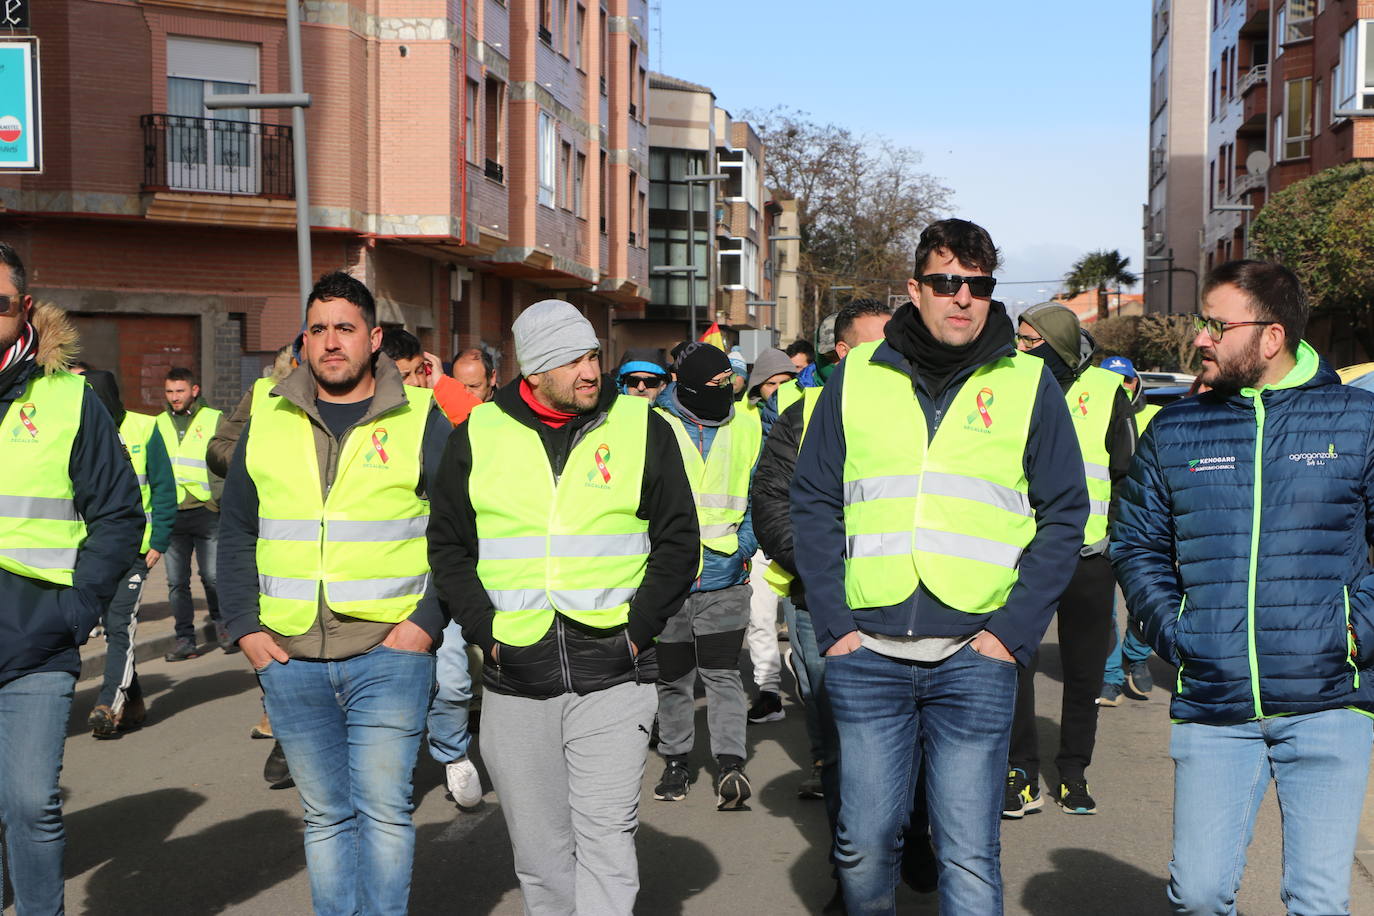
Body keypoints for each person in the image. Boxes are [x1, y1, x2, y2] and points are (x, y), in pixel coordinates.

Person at [792, 218, 1088, 915]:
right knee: (863, 847)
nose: (963, 297)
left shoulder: (1026, 383)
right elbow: (812, 500)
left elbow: (1065, 512)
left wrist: (1009, 634)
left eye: (978, 285)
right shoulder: (857, 375)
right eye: (947, 281)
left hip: (974, 655)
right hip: (867, 652)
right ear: (914, 288)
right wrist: (834, 622)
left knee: (969, 853)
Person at [1113, 259, 1374, 916]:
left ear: (1270, 337)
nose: (1200, 337)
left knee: (1316, 900)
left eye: (1215, 324)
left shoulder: (1357, 420)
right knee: (1198, 894)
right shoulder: (1175, 429)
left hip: (1328, 698)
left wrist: (1354, 629)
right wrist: (1176, 633)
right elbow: (1137, 542)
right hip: (1215, 700)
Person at [428, 299, 698, 915]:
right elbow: (447, 543)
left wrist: (638, 628)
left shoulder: (642, 425)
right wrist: (486, 631)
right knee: (541, 853)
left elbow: (679, 538)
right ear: (536, 370)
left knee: (607, 838)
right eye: (572, 359)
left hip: (615, 670)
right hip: (514, 675)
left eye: (593, 356)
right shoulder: (479, 433)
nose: (589, 370)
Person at [218, 270, 451, 915]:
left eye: (344, 328)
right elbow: (237, 527)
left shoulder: (422, 417)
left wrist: (424, 624)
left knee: (382, 812)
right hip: (288, 656)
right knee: (325, 818)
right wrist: (245, 628)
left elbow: (459, 534)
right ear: (304, 340)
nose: (330, 342)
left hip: (389, 650)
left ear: (374, 338)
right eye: (317, 329)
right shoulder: (268, 413)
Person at [0, 242, 144, 914]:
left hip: (36, 641)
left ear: (24, 309)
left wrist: (76, 607)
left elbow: (118, 513)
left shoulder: (69, 400)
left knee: (29, 803)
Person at [753, 297, 892, 907]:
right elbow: (771, 505)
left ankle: (909, 835)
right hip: (822, 603)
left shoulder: (919, 405)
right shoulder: (802, 411)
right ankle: (851, 873)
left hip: (903, 605)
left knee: (906, 737)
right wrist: (826, 572)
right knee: (841, 744)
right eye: (877, 343)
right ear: (843, 351)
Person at [1004, 302, 1136, 817]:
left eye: (1030, 341)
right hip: (1025, 556)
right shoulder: (1012, 384)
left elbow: (1128, 477)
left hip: (1088, 559)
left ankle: (1074, 772)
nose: (1020, 348)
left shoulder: (1105, 391)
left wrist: (1118, 547)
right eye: (1017, 339)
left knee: (1084, 674)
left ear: (1057, 345)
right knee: (1016, 662)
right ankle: (1020, 771)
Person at [652, 341, 765, 810]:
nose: (725, 398)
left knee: (722, 676)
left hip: (724, 578)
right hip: (666, 581)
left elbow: (761, 493)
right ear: (685, 386)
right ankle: (676, 761)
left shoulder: (749, 426)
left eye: (729, 388)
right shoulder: (652, 425)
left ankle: (730, 764)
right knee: (673, 680)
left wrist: (744, 548)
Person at [84, 369, 177, 739]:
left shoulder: (145, 428)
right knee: (112, 625)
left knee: (120, 623)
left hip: (138, 549)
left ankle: (109, 704)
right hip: (97, 550)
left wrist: (159, 541)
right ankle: (133, 698)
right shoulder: (83, 433)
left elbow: (164, 487)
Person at [1097, 354, 1158, 707]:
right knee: (1103, 609)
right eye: (1112, 382)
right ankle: (1110, 676)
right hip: (1103, 524)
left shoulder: (1155, 417)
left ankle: (1136, 654)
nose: (1121, 388)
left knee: (1147, 599)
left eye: (1127, 380)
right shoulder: (1089, 418)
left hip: (1147, 525)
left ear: (1137, 382)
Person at [741, 347, 798, 725]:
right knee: (760, 620)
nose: (776, 391)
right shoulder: (741, 422)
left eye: (784, 382)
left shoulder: (810, 412)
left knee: (800, 625)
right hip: (759, 538)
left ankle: (806, 677)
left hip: (798, 536)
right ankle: (768, 691)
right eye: (769, 384)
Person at [158, 366, 228, 660]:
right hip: (172, 513)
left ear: (194, 391)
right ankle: (184, 639)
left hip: (205, 509)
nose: (175, 397)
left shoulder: (214, 419)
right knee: (177, 582)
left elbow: (228, 461)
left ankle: (223, 625)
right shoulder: (158, 423)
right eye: (170, 392)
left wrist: (218, 500)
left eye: (180, 391)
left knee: (211, 576)